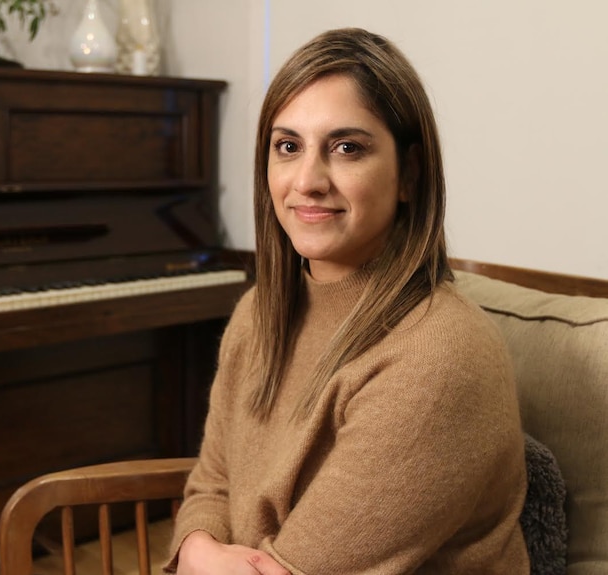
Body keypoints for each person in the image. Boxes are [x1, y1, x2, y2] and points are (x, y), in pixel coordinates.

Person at [165, 27, 529, 574]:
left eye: (346, 148)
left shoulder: (438, 357)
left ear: (409, 173)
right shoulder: (258, 313)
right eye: (288, 146)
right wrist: (197, 546)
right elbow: (212, 483)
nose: (307, 180)